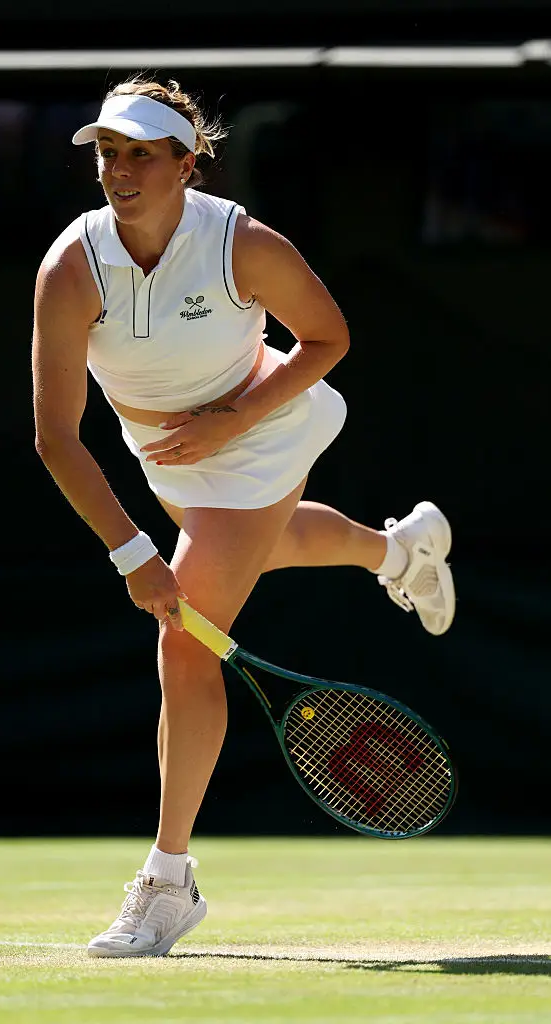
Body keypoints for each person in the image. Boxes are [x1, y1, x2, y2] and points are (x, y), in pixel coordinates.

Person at [32, 76, 456, 958]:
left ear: (188, 163)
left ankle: (167, 879)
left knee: (186, 641)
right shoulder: (71, 269)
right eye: (107, 152)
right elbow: (56, 437)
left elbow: (326, 338)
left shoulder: (242, 243)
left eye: (141, 153)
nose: (117, 170)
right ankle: (396, 550)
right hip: (169, 457)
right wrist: (130, 552)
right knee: (264, 546)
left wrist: (233, 419)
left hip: (255, 430)